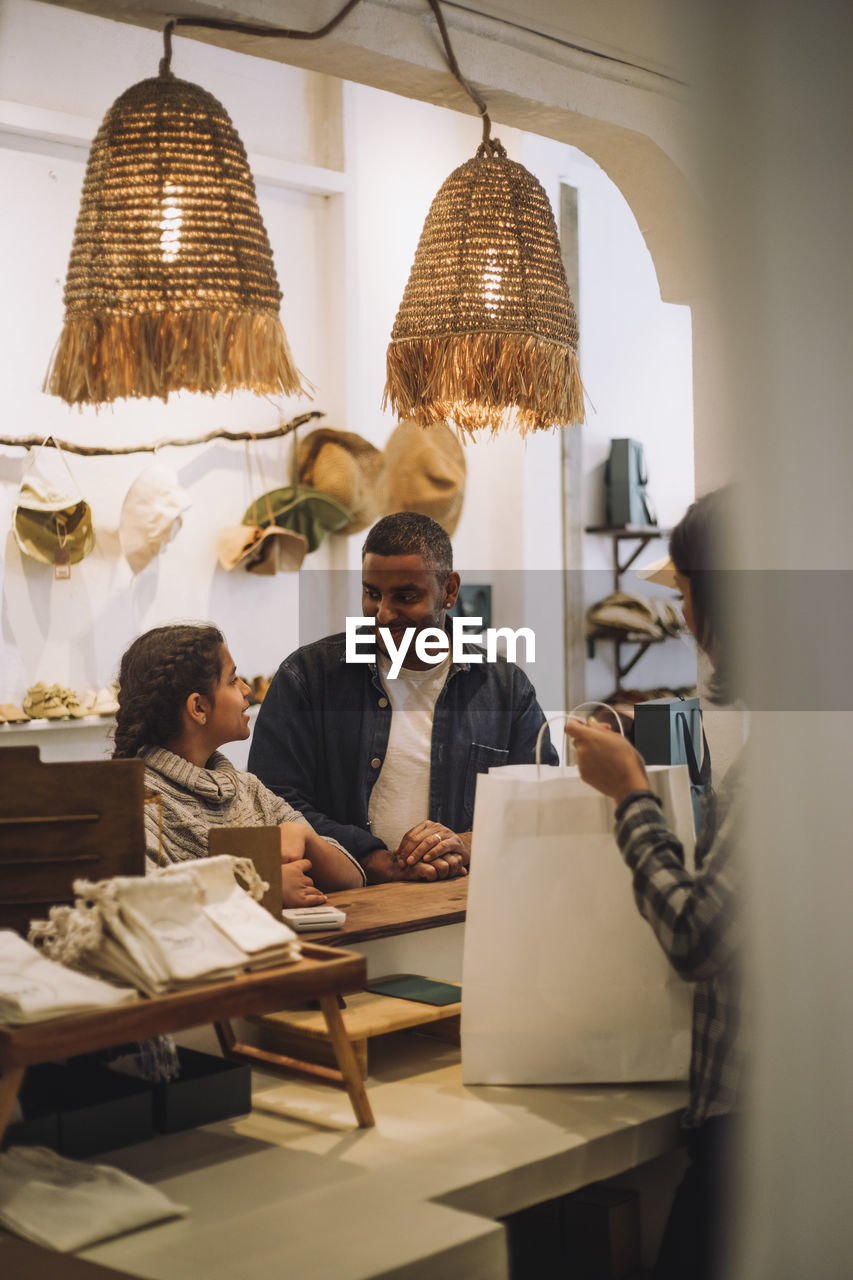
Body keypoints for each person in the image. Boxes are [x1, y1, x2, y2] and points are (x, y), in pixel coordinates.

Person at [565, 487, 743, 1280]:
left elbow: (696, 936)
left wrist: (630, 796)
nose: (683, 618)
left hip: (758, 1128)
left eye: (686, 593)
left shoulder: (792, 766)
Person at [248, 511, 557, 883]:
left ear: (450, 590)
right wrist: (375, 860)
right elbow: (272, 802)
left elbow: (541, 804)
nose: (383, 614)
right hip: (350, 910)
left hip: (469, 905)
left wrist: (466, 843)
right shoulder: (309, 678)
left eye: (405, 597)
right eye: (371, 594)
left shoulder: (505, 689)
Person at [113, 624, 365, 906]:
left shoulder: (247, 789)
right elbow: (137, 903)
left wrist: (305, 835)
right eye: (233, 681)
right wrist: (263, 889)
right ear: (198, 708)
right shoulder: (134, 804)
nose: (246, 689)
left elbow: (353, 879)